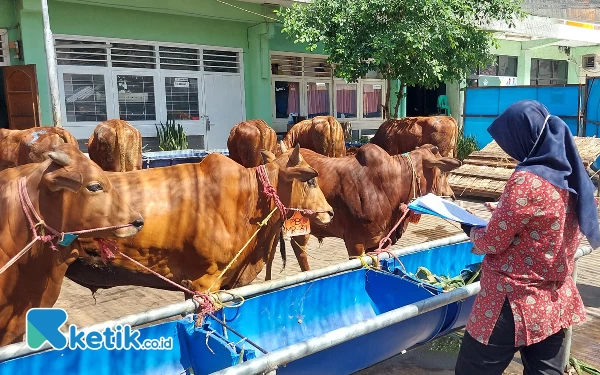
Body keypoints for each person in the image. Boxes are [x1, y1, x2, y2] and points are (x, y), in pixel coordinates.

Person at [455, 100, 600, 375]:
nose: (508, 151)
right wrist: (504, 211)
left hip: (509, 303)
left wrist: (468, 226)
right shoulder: (569, 176)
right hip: (552, 303)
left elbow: (492, 242)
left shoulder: (526, 180)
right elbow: (549, 218)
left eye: (509, 141)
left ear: (525, 137)